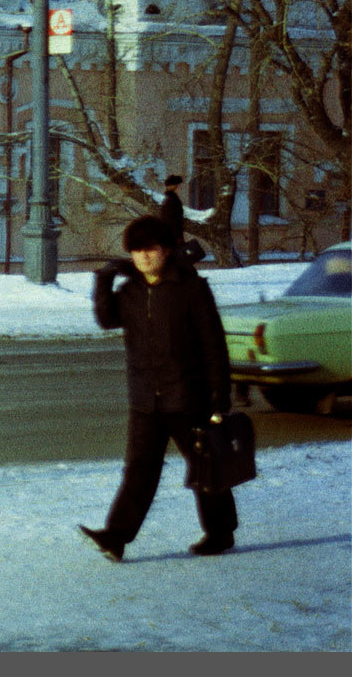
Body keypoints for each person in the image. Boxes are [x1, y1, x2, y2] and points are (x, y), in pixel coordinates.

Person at [80, 214, 237, 562]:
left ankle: (220, 532)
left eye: (150, 249)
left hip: (187, 396)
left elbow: (213, 344)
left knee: (205, 467)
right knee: (138, 469)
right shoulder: (131, 291)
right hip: (145, 399)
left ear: (166, 251)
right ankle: (116, 536)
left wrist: (219, 396)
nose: (144, 257)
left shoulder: (191, 289)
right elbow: (107, 320)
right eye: (136, 251)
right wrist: (103, 280)